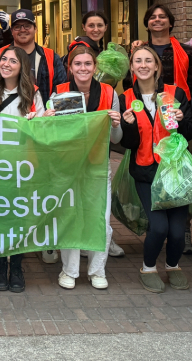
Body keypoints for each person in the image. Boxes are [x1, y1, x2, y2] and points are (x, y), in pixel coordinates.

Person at [127, 4, 192, 255]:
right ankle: (160, 232)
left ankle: (183, 230)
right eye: (152, 17)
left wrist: (187, 116)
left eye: (162, 17)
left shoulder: (187, 52)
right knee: (156, 202)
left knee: (178, 178)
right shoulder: (136, 51)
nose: (157, 20)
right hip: (146, 135)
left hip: (177, 116)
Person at [44, 45, 122, 290]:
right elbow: (51, 135)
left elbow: (117, 139)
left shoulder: (110, 93)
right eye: (78, 64)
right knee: (70, 216)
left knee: (100, 218)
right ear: (70, 68)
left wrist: (117, 124)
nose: (83, 68)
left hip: (98, 166)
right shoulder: (59, 92)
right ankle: (69, 270)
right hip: (67, 166)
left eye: (88, 64)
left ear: (95, 67)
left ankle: (97, 270)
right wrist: (47, 119)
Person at [119, 44, 192, 293]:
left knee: (176, 231)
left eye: (148, 61)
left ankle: (172, 266)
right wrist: (127, 125)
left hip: (173, 170)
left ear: (157, 67)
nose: (143, 65)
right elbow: (127, 143)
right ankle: (148, 267)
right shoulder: (126, 98)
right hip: (145, 171)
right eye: (138, 61)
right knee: (159, 227)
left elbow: (188, 132)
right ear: (132, 67)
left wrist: (183, 122)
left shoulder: (177, 94)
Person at [0, 46, 44, 293]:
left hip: (23, 166)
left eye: (13, 61)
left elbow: (41, 128)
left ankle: (16, 266)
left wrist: (40, 121)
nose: (6, 63)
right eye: (3, 59)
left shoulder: (32, 94)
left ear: (22, 67)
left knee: (19, 217)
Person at [0, 9, 66, 106]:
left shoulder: (51, 57)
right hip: (6, 117)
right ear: (12, 31)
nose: (22, 30)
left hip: (41, 117)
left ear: (35, 29)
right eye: (17, 27)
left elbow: (61, 90)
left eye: (27, 26)